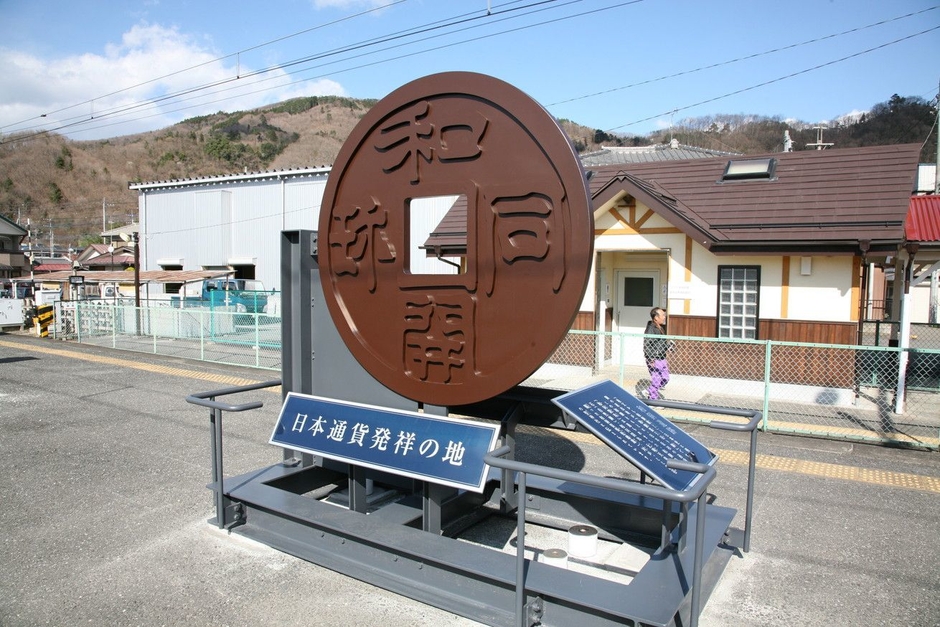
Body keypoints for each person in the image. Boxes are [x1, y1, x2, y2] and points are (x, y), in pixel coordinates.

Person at [643, 307, 671, 400]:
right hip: (654, 358)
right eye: (662, 315)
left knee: (665, 378)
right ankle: (653, 400)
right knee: (656, 380)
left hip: (662, 357)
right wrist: (650, 358)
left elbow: (660, 344)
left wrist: (668, 346)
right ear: (656, 317)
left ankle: (650, 390)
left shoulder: (660, 328)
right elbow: (647, 344)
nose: (664, 317)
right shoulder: (651, 329)